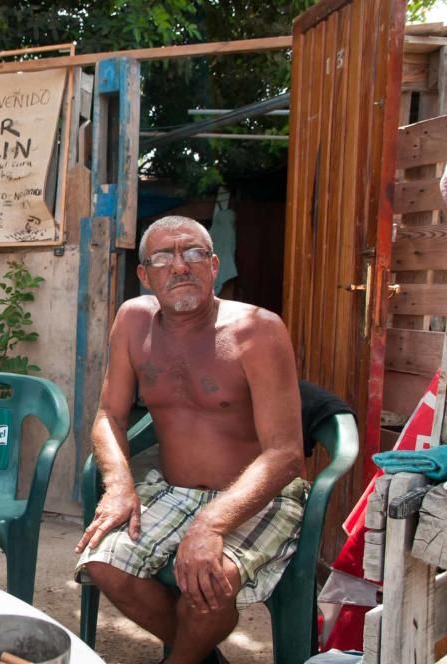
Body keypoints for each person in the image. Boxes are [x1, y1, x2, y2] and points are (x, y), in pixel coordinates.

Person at [75, 215, 307, 663]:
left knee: (208, 583)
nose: (180, 266)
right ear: (145, 275)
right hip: (171, 491)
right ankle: (199, 654)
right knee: (102, 564)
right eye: (163, 257)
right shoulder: (133, 321)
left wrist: (211, 525)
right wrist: (120, 484)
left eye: (194, 253)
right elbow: (108, 415)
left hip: (256, 495)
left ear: (214, 264)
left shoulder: (257, 330)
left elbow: (285, 454)